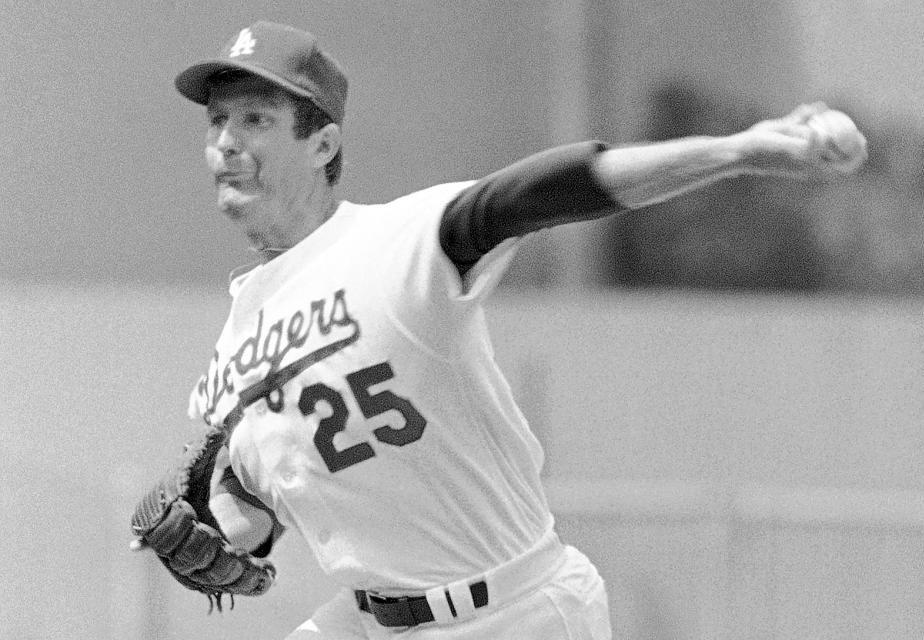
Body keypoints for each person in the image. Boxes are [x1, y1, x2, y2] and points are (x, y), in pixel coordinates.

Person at [145, 20, 866, 640]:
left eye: (255, 120)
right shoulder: (237, 345)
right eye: (216, 121)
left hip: (516, 610)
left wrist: (738, 151)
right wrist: (221, 530)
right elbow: (260, 506)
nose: (225, 143)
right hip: (367, 619)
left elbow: (554, 185)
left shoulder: (398, 244)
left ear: (324, 144)